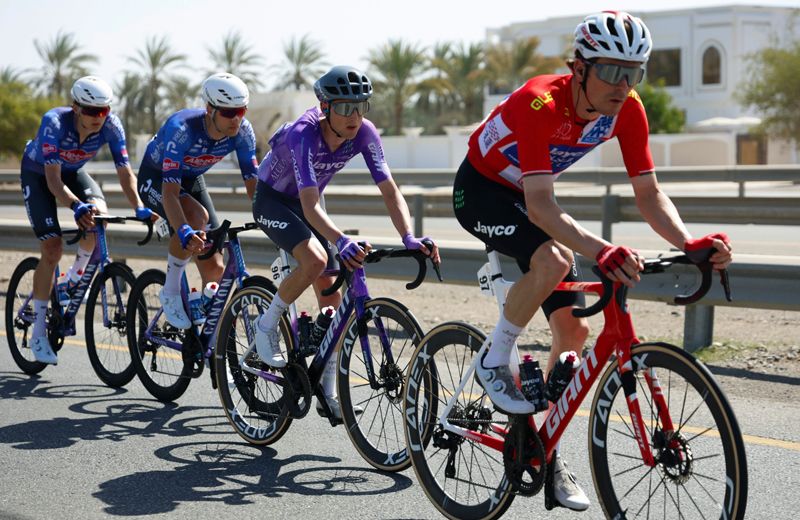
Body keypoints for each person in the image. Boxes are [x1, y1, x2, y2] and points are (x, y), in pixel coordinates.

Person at [453, 11, 732, 511]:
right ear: (578, 67)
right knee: (555, 261)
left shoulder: (628, 110)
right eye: (610, 70)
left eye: (634, 72)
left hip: (526, 196)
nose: (623, 85)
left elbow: (648, 194)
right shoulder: (539, 102)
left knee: (575, 334)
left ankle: (545, 449)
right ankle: (493, 359)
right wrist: (602, 250)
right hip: (482, 191)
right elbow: (541, 206)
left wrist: (689, 243)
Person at [252, 65, 440, 421]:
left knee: (334, 299)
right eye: (344, 108)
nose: (354, 116)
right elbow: (307, 206)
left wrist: (408, 237)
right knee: (315, 260)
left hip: (310, 200)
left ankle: (324, 377)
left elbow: (389, 190)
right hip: (274, 199)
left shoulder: (364, 133)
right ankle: (267, 324)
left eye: (360, 106)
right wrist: (340, 239)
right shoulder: (304, 134)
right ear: (325, 108)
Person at [21, 75, 156, 365]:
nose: (99, 117)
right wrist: (74, 205)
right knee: (53, 249)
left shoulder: (111, 125)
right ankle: (38, 331)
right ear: (76, 108)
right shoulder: (54, 123)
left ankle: (74, 276)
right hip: (40, 174)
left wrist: (140, 206)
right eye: (92, 111)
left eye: (104, 110)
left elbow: (125, 173)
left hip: (73, 173)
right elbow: (53, 181)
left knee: (98, 218)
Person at [138, 72, 258, 329]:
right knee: (195, 217)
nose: (236, 118)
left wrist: (269, 215)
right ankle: (170, 293)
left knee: (215, 264)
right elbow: (170, 194)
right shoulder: (181, 130)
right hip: (157, 178)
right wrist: (183, 230)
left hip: (191, 179)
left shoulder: (243, 132)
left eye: (241, 110)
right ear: (209, 109)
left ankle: (203, 325)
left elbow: (253, 184)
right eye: (228, 113)